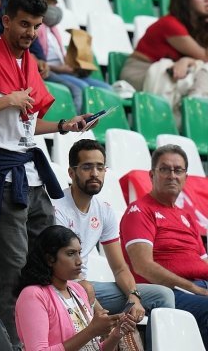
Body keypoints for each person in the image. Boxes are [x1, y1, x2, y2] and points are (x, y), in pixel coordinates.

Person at [0, 0, 91, 345]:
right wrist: (8, 100)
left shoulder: (25, 60)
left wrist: (62, 125)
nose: (30, 32)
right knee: (11, 276)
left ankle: (48, 340)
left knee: (47, 265)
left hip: (30, 174)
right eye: (24, 24)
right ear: (7, 20)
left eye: (36, 26)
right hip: (1, 178)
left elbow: (26, 123)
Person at [53, 139, 174, 347]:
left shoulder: (104, 210)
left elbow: (119, 268)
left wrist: (133, 296)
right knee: (87, 289)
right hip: (61, 287)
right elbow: (62, 272)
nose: (95, 174)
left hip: (88, 287)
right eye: (87, 167)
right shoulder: (57, 209)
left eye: (100, 167)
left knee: (162, 295)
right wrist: (99, 311)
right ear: (71, 173)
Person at [120, 144, 208, 347]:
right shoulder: (139, 211)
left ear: (186, 176)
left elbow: (204, 261)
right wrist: (194, 288)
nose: (172, 175)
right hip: (167, 292)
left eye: (178, 170)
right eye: (165, 169)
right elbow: (143, 266)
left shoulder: (186, 216)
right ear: (152, 175)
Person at [15, 225, 135, 351]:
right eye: (71, 253)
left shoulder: (78, 290)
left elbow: (93, 348)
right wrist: (92, 331)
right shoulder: (33, 295)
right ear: (50, 259)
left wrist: (116, 335)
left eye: (79, 253)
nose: (79, 261)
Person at [121, 0, 208, 119]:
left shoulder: (196, 27)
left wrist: (186, 61)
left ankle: (195, 110)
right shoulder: (170, 24)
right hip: (140, 71)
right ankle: (194, 112)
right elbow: (204, 58)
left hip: (169, 72)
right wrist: (186, 61)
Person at [24, 0, 113, 111]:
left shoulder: (52, 28)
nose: (56, 2)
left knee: (108, 89)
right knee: (81, 89)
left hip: (64, 71)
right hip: (52, 72)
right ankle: (76, 126)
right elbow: (34, 60)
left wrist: (76, 63)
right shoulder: (34, 28)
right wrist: (59, 69)